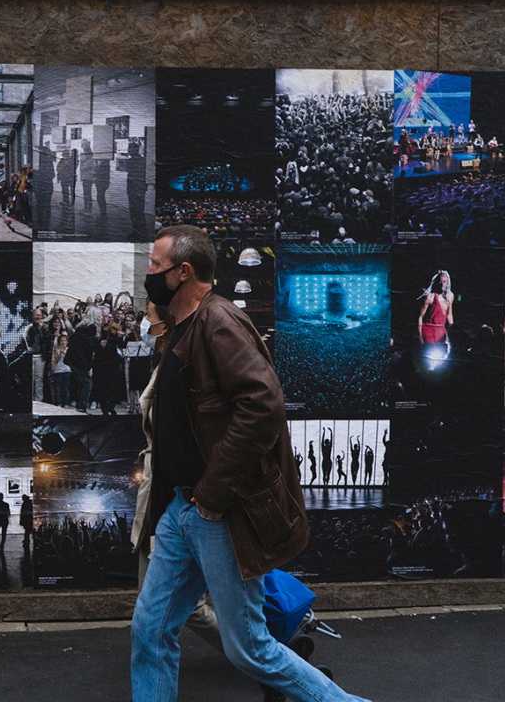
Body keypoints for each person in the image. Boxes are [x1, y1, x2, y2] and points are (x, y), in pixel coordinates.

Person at [130, 225, 369, 702]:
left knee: (250, 649)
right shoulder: (181, 328)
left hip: (218, 512)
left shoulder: (219, 322)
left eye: (155, 265)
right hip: (182, 509)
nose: (148, 273)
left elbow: (262, 406)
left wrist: (212, 496)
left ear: (183, 272)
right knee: (150, 630)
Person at [418, 270, 453, 347]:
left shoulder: (450, 296)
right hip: (428, 332)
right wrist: (420, 338)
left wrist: (451, 328)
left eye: (444, 281)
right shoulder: (430, 297)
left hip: (441, 333)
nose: (442, 284)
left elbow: (449, 315)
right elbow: (420, 317)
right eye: (440, 282)